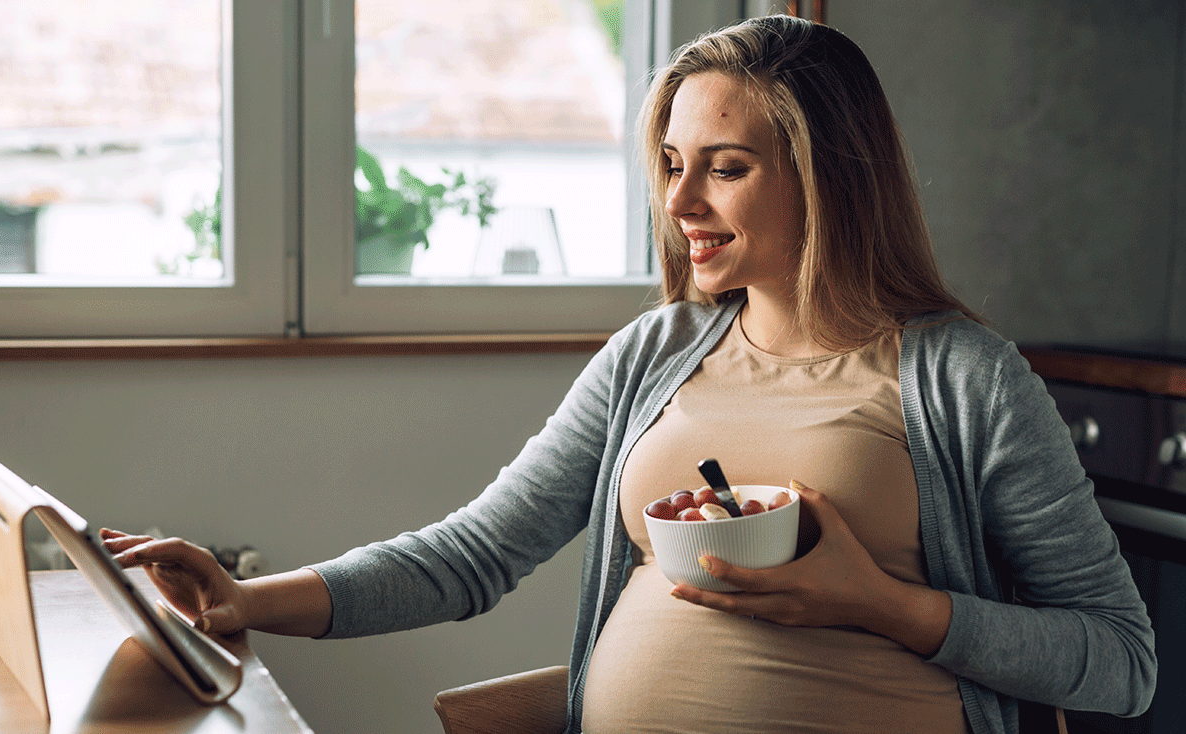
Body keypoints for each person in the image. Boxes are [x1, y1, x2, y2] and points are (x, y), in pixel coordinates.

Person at [104, 14, 1155, 734]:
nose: (682, 201)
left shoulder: (963, 377)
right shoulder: (654, 353)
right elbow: (475, 552)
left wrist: (884, 603)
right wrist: (245, 600)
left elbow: (1120, 659)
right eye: (670, 164)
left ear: (828, 175)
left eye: (726, 166)